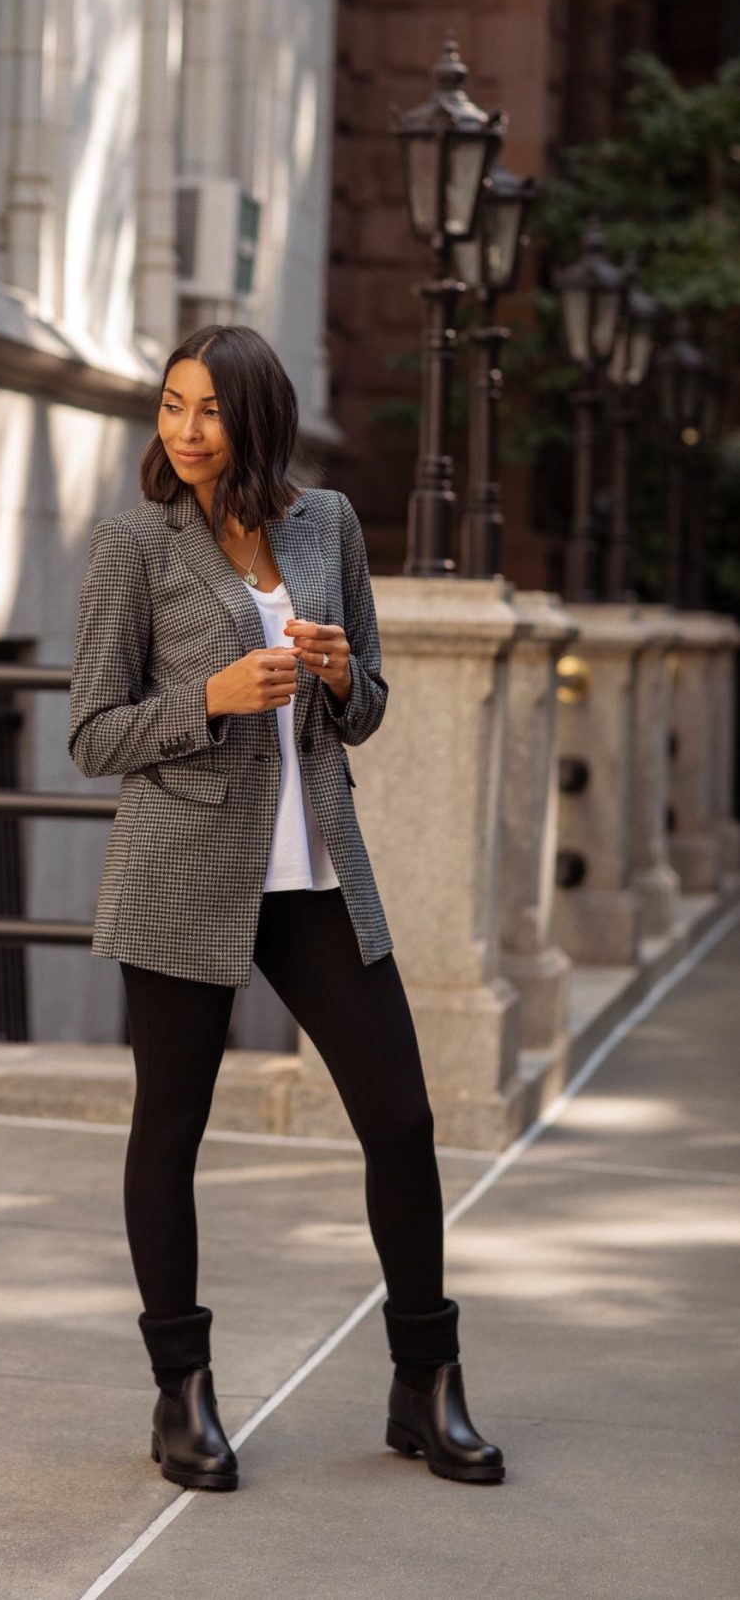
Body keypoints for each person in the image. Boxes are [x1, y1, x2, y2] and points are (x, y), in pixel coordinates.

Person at [66, 323, 504, 1490]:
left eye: (208, 410)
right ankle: (184, 1398)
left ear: (257, 418)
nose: (185, 432)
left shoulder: (330, 527)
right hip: (182, 874)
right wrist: (205, 697)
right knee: (170, 1135)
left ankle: (427, 1384)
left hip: (313, 876)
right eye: (170, 406)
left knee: (401, 1123)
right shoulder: (134, 546)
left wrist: (339, 674)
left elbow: (367, 707)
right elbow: (92, 734)